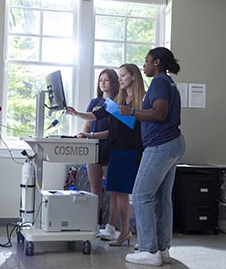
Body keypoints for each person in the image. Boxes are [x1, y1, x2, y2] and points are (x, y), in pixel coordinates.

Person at [67, 63, 145, 246]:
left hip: (130, 150)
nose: (120, 79)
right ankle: (124, 232)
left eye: (123, 76)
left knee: (122, 192)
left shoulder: (140, 100)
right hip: (116, 149)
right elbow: (97, 115)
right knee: (117, 192)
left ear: (133, 76)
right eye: (118, 76)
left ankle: (125, 231)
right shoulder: (120, 99)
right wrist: (77, 113)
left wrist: (129, 114)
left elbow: (136, 125)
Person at [122, 47, 185, 266]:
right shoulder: (168, 82)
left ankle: (149, 251)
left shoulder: (158, 82)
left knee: (140, 195)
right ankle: (162, 249)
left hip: (161, 145)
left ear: (157, 62)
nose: (144, 65)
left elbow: (159, 113)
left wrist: (131, 111)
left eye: (147, 61)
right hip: (173, 143)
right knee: (161, 198)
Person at [78, 69, 119, 238]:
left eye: (107, 80)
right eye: (101, 80)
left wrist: (91, 135)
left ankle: (110, 226)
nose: (103, 83)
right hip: (94, 149)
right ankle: (93, 225)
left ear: (114, 83)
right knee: (95, 188)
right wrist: (83, 134)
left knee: (114, 190)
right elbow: (88, 124)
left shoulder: (118, 103)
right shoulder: (94, 101)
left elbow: (115, 132)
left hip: (111, 149)